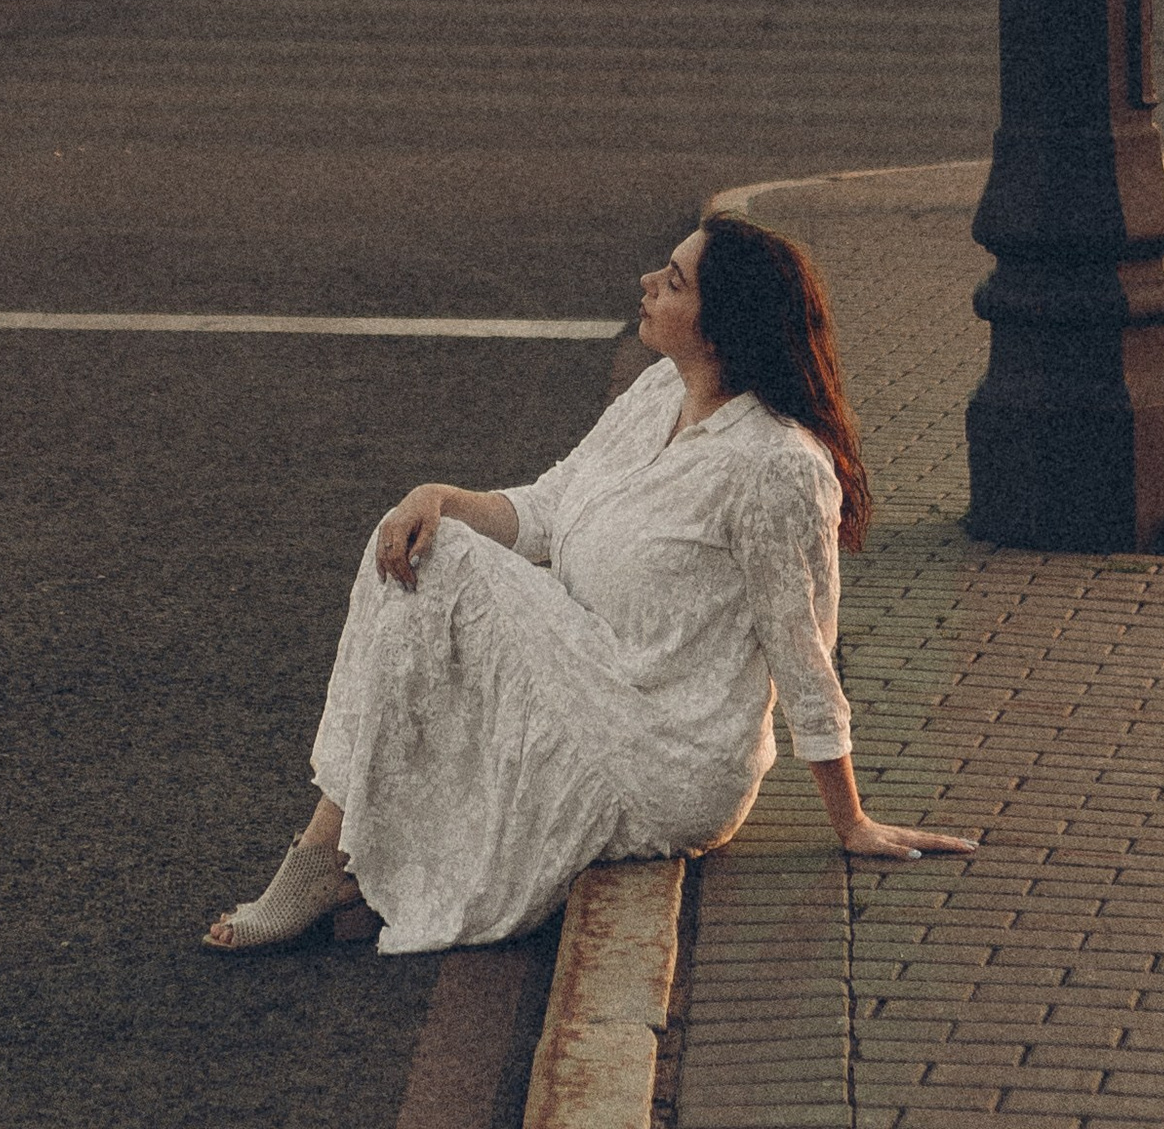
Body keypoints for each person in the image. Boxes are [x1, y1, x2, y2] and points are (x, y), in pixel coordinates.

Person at [205, 215, 973, 955]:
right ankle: (342, 859)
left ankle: (319, 864)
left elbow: (803, 648)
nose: (646, 284)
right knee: (417, 534)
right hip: (595, 675)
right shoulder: (654, 398)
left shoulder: (777, 467)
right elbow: (547, 508)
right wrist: (440, 496)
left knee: (444, 565)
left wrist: (851, 820)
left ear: (719, 324)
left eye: (672, 283)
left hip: (669, 750)